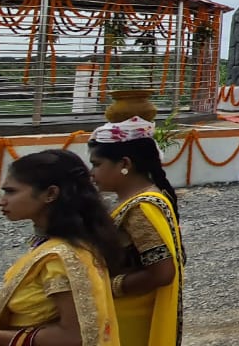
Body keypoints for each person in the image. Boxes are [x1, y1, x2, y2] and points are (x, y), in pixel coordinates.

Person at [0, 150, 120, 345]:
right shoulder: (61, 245)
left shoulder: (63, 257)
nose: (1, 201)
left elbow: (75, 336)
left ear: (50, 194)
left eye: (11, 191)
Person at [87, 119, 185, 346]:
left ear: (124, 163)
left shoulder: (140, 208)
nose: (92, 173)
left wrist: (107, 287)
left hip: (131, 319)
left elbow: (162, 273)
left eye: (97, 164)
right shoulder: (136, 200)